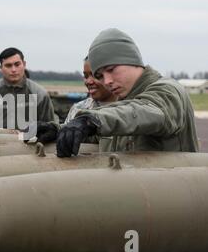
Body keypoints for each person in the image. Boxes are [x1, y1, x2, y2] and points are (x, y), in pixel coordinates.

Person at [37, 28, 199, 157]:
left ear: (132, 61)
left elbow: (144, 112)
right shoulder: (122, 103)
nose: (106, 81)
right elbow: (99, 135)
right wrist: (59, 130)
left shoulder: (168, 90)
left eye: (111, 70)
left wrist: (91, 120)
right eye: (100, 75)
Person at [0, 47, 56, 130]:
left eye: (17, 64)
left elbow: (50, 128)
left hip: (30, 142)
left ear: (24, 64)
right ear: (1, 68)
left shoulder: (40, 94)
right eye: (8, 65)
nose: (13, 70)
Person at [64, 56, 117, 123]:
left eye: (95, 75)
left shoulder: (129, 109)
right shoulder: (79, 109)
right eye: (86, 76)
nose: (88, 81)